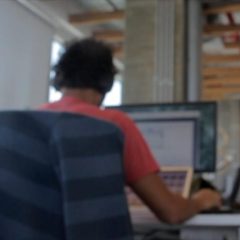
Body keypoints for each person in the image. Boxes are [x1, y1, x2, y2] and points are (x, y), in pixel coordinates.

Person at [40, 38, 221, 224]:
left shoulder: (33, 122)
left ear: (59, 78)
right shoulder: (113, 125)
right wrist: (200, 201)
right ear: (107, 83)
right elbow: (171, 212)